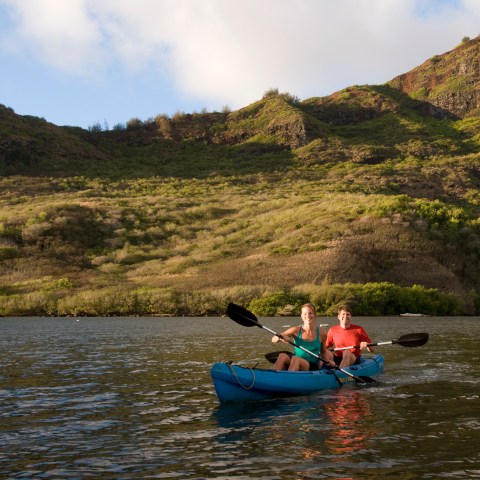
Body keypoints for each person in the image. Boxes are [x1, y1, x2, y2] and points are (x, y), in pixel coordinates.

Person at [271, 303, 329, 371]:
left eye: (310, 313)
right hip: (296, 362)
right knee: (282, 356)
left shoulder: (322, 333)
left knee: (295, 358)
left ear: (315, 315)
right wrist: (280, 337)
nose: (307, 316)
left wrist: (328, 363)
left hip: (312, 366)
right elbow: (273, 339)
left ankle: (288, 378)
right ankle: (273, 377)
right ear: (301, 316)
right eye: (305, 314)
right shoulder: (296, 330)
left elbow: (323, 352)